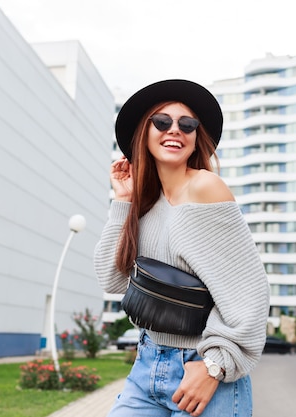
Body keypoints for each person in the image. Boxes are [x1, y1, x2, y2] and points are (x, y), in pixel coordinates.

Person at [94, 79, 270, 417]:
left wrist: (214, 367)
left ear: (195, 138)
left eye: (186, 124)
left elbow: (250, 293)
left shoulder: (206, 188)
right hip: (147, 365)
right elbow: (111, 279)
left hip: (201, 368)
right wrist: (123, 201)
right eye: (161, 121)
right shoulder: (144, 205)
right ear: (143, 134)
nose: (174, 129)